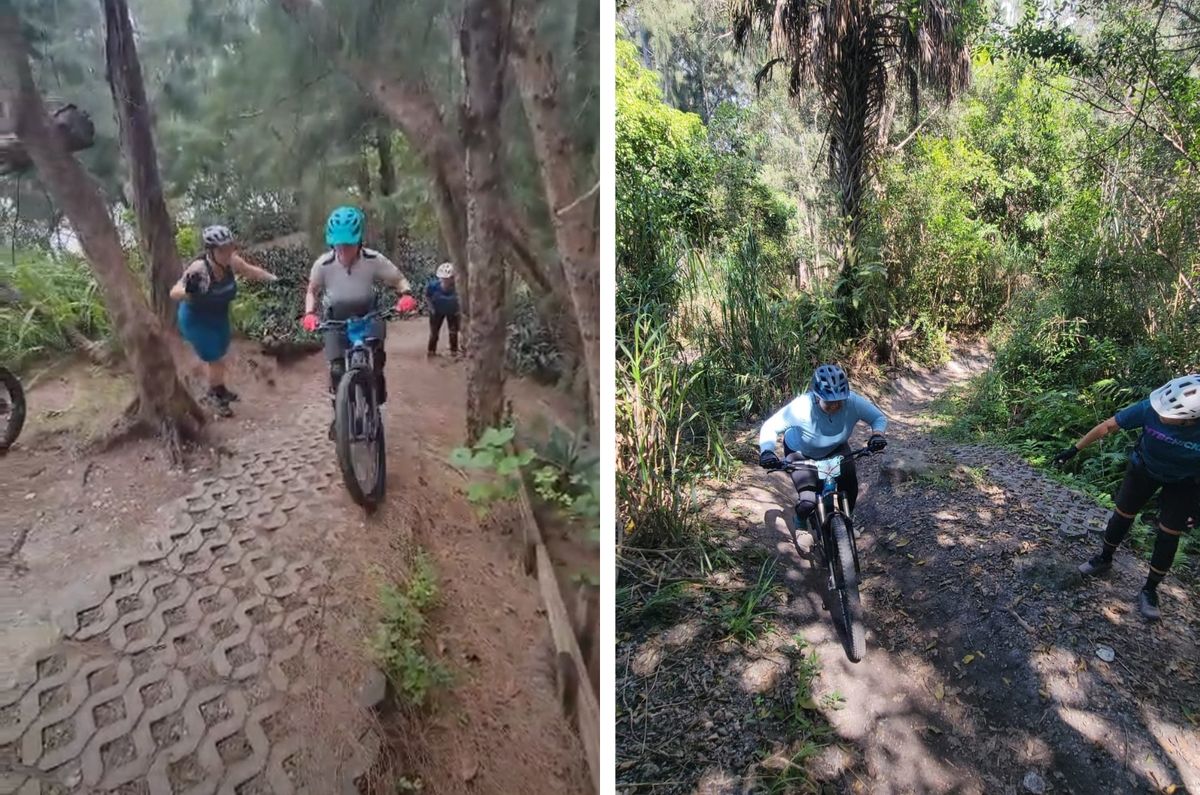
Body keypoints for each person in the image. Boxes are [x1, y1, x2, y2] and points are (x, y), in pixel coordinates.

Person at [1058, 374, 1200, 620]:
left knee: (1169, 534)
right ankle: (1103, 559)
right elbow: (1108, 426)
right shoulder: (1151, 407)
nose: (1161, 417)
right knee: (1122, 514)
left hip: (1185, 482)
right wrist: (1073, 450)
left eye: (1169, 418)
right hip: (1143, 468)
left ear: (1190, 419)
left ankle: (1150, 590)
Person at [302, 206, 414, 439]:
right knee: (336, 369)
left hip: (368, 312)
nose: (342, 250)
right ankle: (340, 416)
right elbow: (312, 290)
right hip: (335, 316)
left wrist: (406, 294)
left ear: (359, 241)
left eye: (348, 244)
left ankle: (375, 395)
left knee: (377, 360)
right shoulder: (323, 264)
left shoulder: (374, 260)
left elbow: (399, 279)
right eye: (338, 244)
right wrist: (310, 312)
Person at [758, 364, 889, 524]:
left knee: (850, 488)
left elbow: (878, 418)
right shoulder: (802, 407)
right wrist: (767, 451)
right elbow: (770, 426)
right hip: (800, 453)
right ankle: (800, 521)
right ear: (817, 396)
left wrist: (877, 435)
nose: (835, 405)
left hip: (836, 449)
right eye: (829, 402)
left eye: (839, 401)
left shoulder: (852, 401)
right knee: (808, 501)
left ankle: (846, 522)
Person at [171, 225, 277, 417]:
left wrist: (273, 279)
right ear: (210, 251)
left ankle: (220, 389)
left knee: (221, 351)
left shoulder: (232, 262)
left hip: (218, 316)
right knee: (214, 357)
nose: (227, 252)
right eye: (222, 249)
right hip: (196, 319)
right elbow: (174, 292)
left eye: (230, 247)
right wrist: (190, 292)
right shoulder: (199, 270)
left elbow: (250, 271)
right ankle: (214, 396)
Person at [425, 261, 461, 357]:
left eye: (449, 278)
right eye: (443, 278)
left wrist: (459, 310)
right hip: (437, 311)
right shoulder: (433, 286)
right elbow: (427, 297)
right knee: (434, 333)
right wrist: (431, 308)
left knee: (453, 332)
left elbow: (463, 298)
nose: (446, 280)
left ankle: (454, 352)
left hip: (453, 312)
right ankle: (431, 351)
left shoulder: (458, 287)